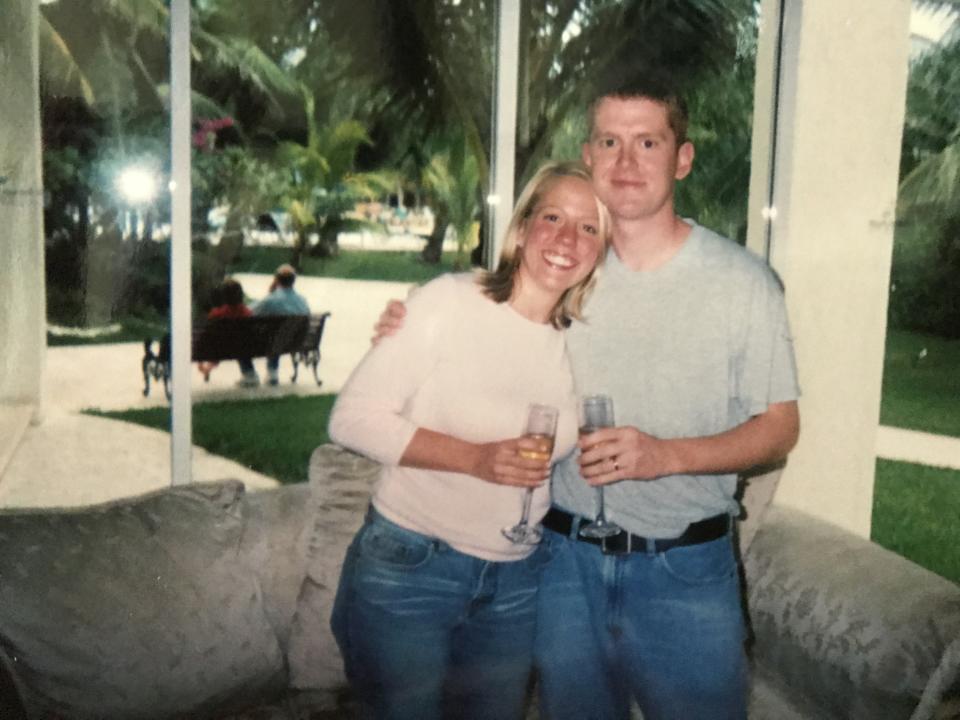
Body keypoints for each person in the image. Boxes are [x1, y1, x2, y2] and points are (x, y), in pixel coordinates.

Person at [372, 76, 801, 720]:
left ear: (681, 158)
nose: (627, 162)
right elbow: (475, 333)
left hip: (685, 572)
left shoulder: (744, 283)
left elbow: (779, 428)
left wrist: (666, 456)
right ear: (589, 154)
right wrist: (404, 329)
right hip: (562, 566)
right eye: (610, 141)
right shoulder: (565, 271)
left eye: (648, 142)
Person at [328, 161, 611, 720]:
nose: (565, 239)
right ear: (523, 226)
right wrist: (475, 459)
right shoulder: (449, 301)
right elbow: (351, 419)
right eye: (552, 216)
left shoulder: (587, 344)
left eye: (588, 228)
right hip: (411, 565)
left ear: (604, 249)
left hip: (517, 579)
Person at [237, 263, 310, 387]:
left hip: (270, 343)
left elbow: (247, 313)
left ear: (276, 279)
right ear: (294, 281)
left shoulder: (270, 300)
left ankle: (249, 374)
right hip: (296, 342)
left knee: (240, 335)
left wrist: (270, 293)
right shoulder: (302, 300)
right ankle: (272, 372)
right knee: (278, 333)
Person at [198, 277, 251, 381]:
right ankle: (249, 373)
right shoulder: (247, 313)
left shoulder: (216, 313)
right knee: (237, 341)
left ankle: (207, 368)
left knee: (218, 342)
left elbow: (207, 335)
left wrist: (200, 360)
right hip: (242, 347)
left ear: (224, 296)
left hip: (221, 348)